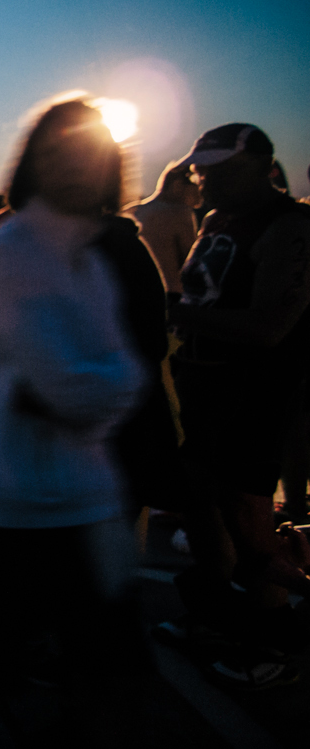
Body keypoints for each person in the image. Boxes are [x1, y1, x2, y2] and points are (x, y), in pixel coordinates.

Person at [0, 98, 153, 749]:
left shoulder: (90, 261)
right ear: (31, 164)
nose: (75, 168)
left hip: (88, 500)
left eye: (90, 154)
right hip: (4, 504)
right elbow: (75, 387)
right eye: (58, 153)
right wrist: (102, 387)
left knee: (108, 677)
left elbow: (131, 372)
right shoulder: (7, 253)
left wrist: (99, 386)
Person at [164, 124, 310, 686]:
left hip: (255, 396)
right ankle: (218, 621)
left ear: (262, 165)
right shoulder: (218, 219)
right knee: (206, 512)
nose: (206, 177)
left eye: (221, 167)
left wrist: (174, 312)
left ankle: (274, 640)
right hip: (204, 391)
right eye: (202, 167)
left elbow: (271, 326)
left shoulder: (290, 226)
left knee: (249, 521)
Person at [126, 159, 201, 294]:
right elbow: (192, 263)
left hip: (134, 294)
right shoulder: (179, 213)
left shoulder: (130, 212)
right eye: (196, 188)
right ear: (178, 186)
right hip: (171, 296)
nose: (200, 196)